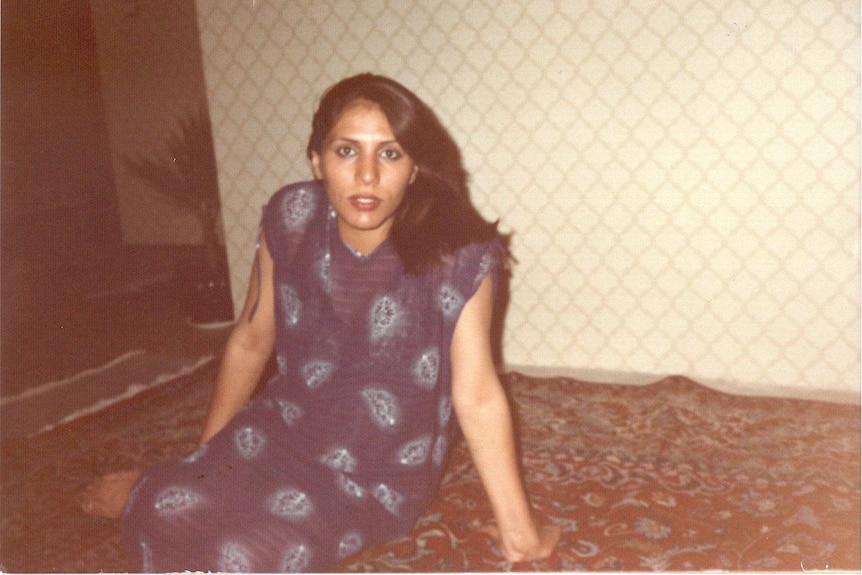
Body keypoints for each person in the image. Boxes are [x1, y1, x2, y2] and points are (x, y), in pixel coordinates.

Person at [82, 73, 560, 572]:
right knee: (162, 506)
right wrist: (203, 466)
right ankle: (173, 489)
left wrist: (520, 534)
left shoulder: (458, 252)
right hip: (283, 431)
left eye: (391, 154)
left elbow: (478, 392)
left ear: (415, 168)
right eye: (347, 152)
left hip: (376, 473)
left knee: (246, 555)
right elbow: (251, 338)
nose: (368, 176)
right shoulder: (290, 217)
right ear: (317, 161)